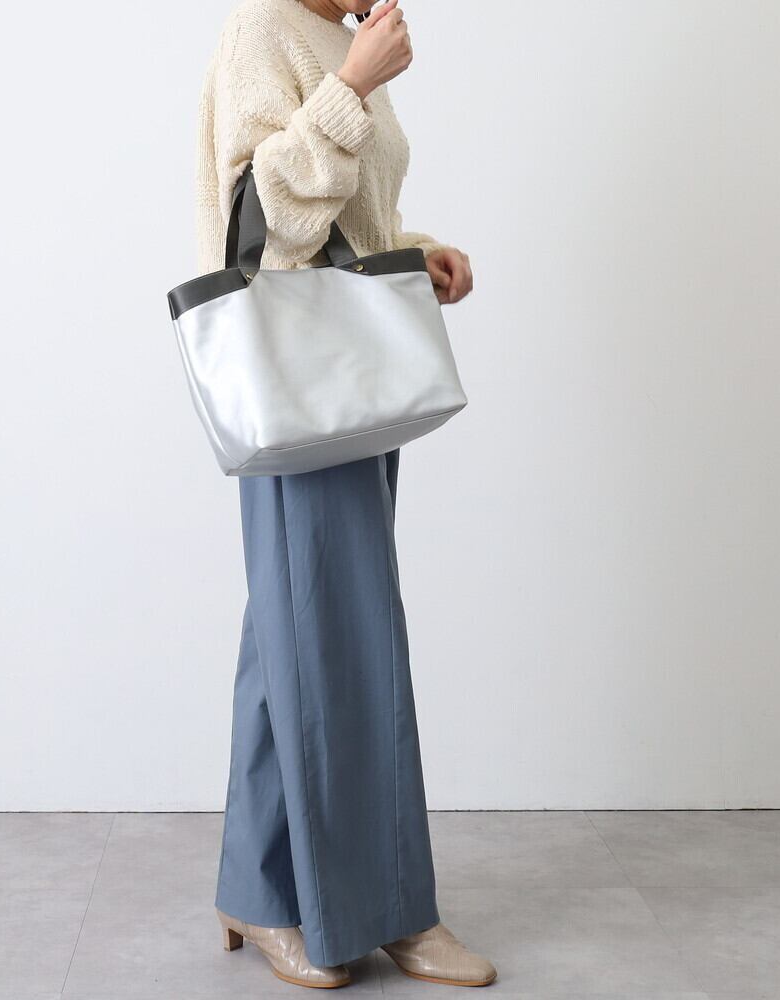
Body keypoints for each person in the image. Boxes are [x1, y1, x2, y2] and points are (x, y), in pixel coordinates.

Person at [195, 0, 496, 988]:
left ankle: (255, 886)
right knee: (341, 641)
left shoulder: (336, 30)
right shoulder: (264, 27)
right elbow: (262, 223)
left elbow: (339, 223)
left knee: (290, 636)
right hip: (299, 386)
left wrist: (413, 248)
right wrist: (353, 85)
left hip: (344, 379)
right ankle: (385, 910)